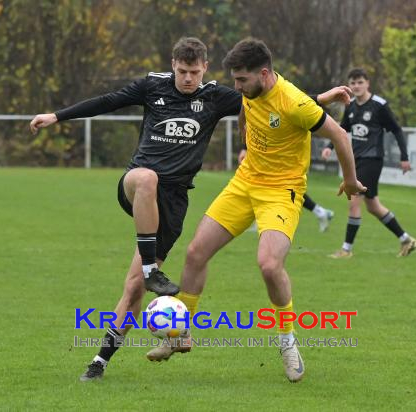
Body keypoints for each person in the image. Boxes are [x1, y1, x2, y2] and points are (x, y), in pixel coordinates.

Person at [146, 38, 366, 383]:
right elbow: (249, 115)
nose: (236, 87)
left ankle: (287, 341)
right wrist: (247, 146)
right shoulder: (254, 93)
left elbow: (340, 135)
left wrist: (351, 181)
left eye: (241, 80)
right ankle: (180, 336)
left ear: (264, 74)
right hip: (244, 183)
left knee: (268, 264)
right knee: (195, 252)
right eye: (234, 80)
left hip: (281, 191)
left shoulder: (294, 102)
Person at [30, 37, 244, 381]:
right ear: (172, 64)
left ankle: (99, 362)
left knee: (132, 290)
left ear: (205, 67)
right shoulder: (152, 86)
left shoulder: (215, 97)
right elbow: (107, 101)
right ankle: (150, 268)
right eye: (182, 71)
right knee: (146, 178)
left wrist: (320, 101)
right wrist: (57, 115)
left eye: (194, 72)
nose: (187, 78)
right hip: (136, 186)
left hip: (173, 204)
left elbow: (273, 100)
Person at [321, 68, 416, 259]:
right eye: (353, 83)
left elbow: (397, 130)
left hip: (372, 159)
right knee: (373, 206)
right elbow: (341, 130)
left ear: (367, 83)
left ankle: (346, 250)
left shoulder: (379, 105)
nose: (356, 86)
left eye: (360, 82)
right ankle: (406, 239)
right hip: (357, 159)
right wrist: (329, 147)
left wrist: (404, 157)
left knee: (354, 201)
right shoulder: (350, 106)